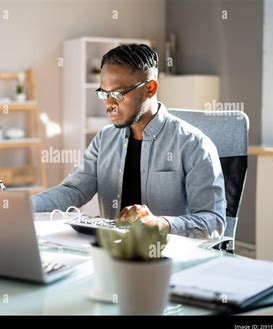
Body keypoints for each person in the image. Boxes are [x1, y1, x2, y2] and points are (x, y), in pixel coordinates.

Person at [32, 44, 226, 239]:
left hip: (166, 258)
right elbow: (73, 190)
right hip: (110, 254)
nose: (109, 104)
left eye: (118, 94)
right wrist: (26, 206)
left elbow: (213, 221)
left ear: (150, 88)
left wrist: (160, 224)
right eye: (104, 93)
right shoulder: (104, 139)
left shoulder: (194, 144)